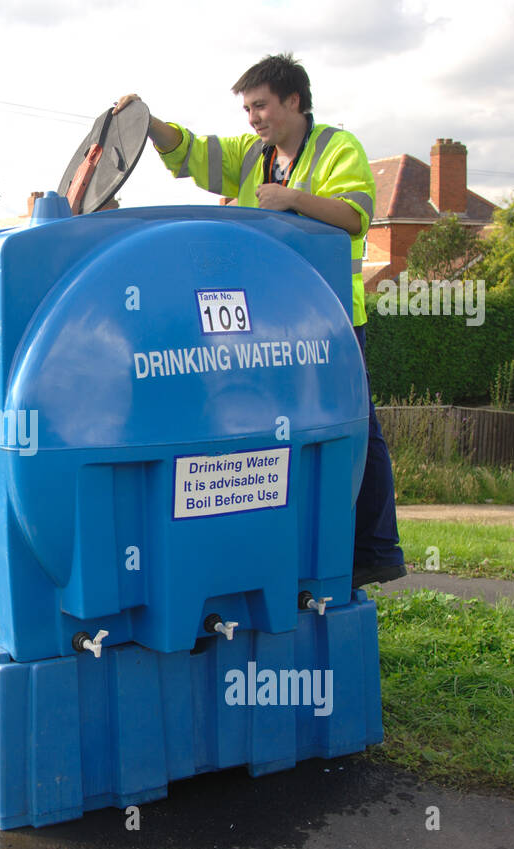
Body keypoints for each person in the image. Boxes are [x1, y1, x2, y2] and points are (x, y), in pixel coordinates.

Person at [115, 53, 406, 587]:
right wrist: (148, 123)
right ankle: (276, 543)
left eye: (261, 106)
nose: (253, 118)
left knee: (353, 428)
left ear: (294, 101)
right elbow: (195, 155)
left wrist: (290, 199)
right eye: (247, 109)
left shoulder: (339, 148)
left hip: (329, 321)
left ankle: (374, 550)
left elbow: (356, 215)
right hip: (264, 327)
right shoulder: (252, 155)